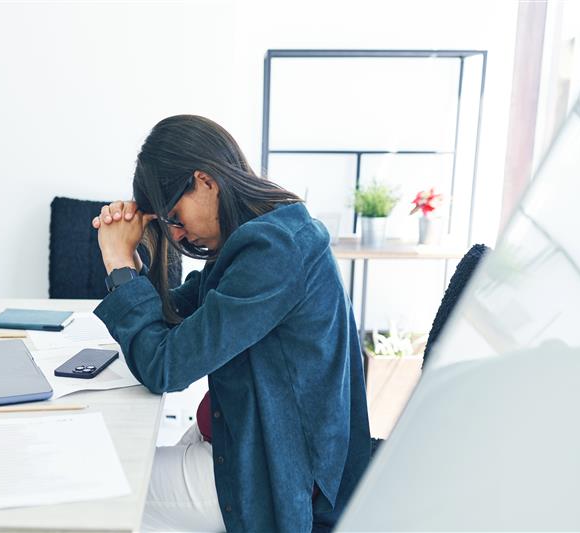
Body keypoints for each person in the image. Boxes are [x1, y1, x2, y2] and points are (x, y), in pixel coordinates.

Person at [91, 115, 371, 532]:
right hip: (238, 441)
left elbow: (164, 367)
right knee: (113, 460)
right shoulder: (265, 234)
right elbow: (180, 313)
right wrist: (131, 257)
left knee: (99, 488)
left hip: (273, 477)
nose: (180, 236)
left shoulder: (273, 251)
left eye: (176, 217)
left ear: (205, 181)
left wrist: (118, 266)